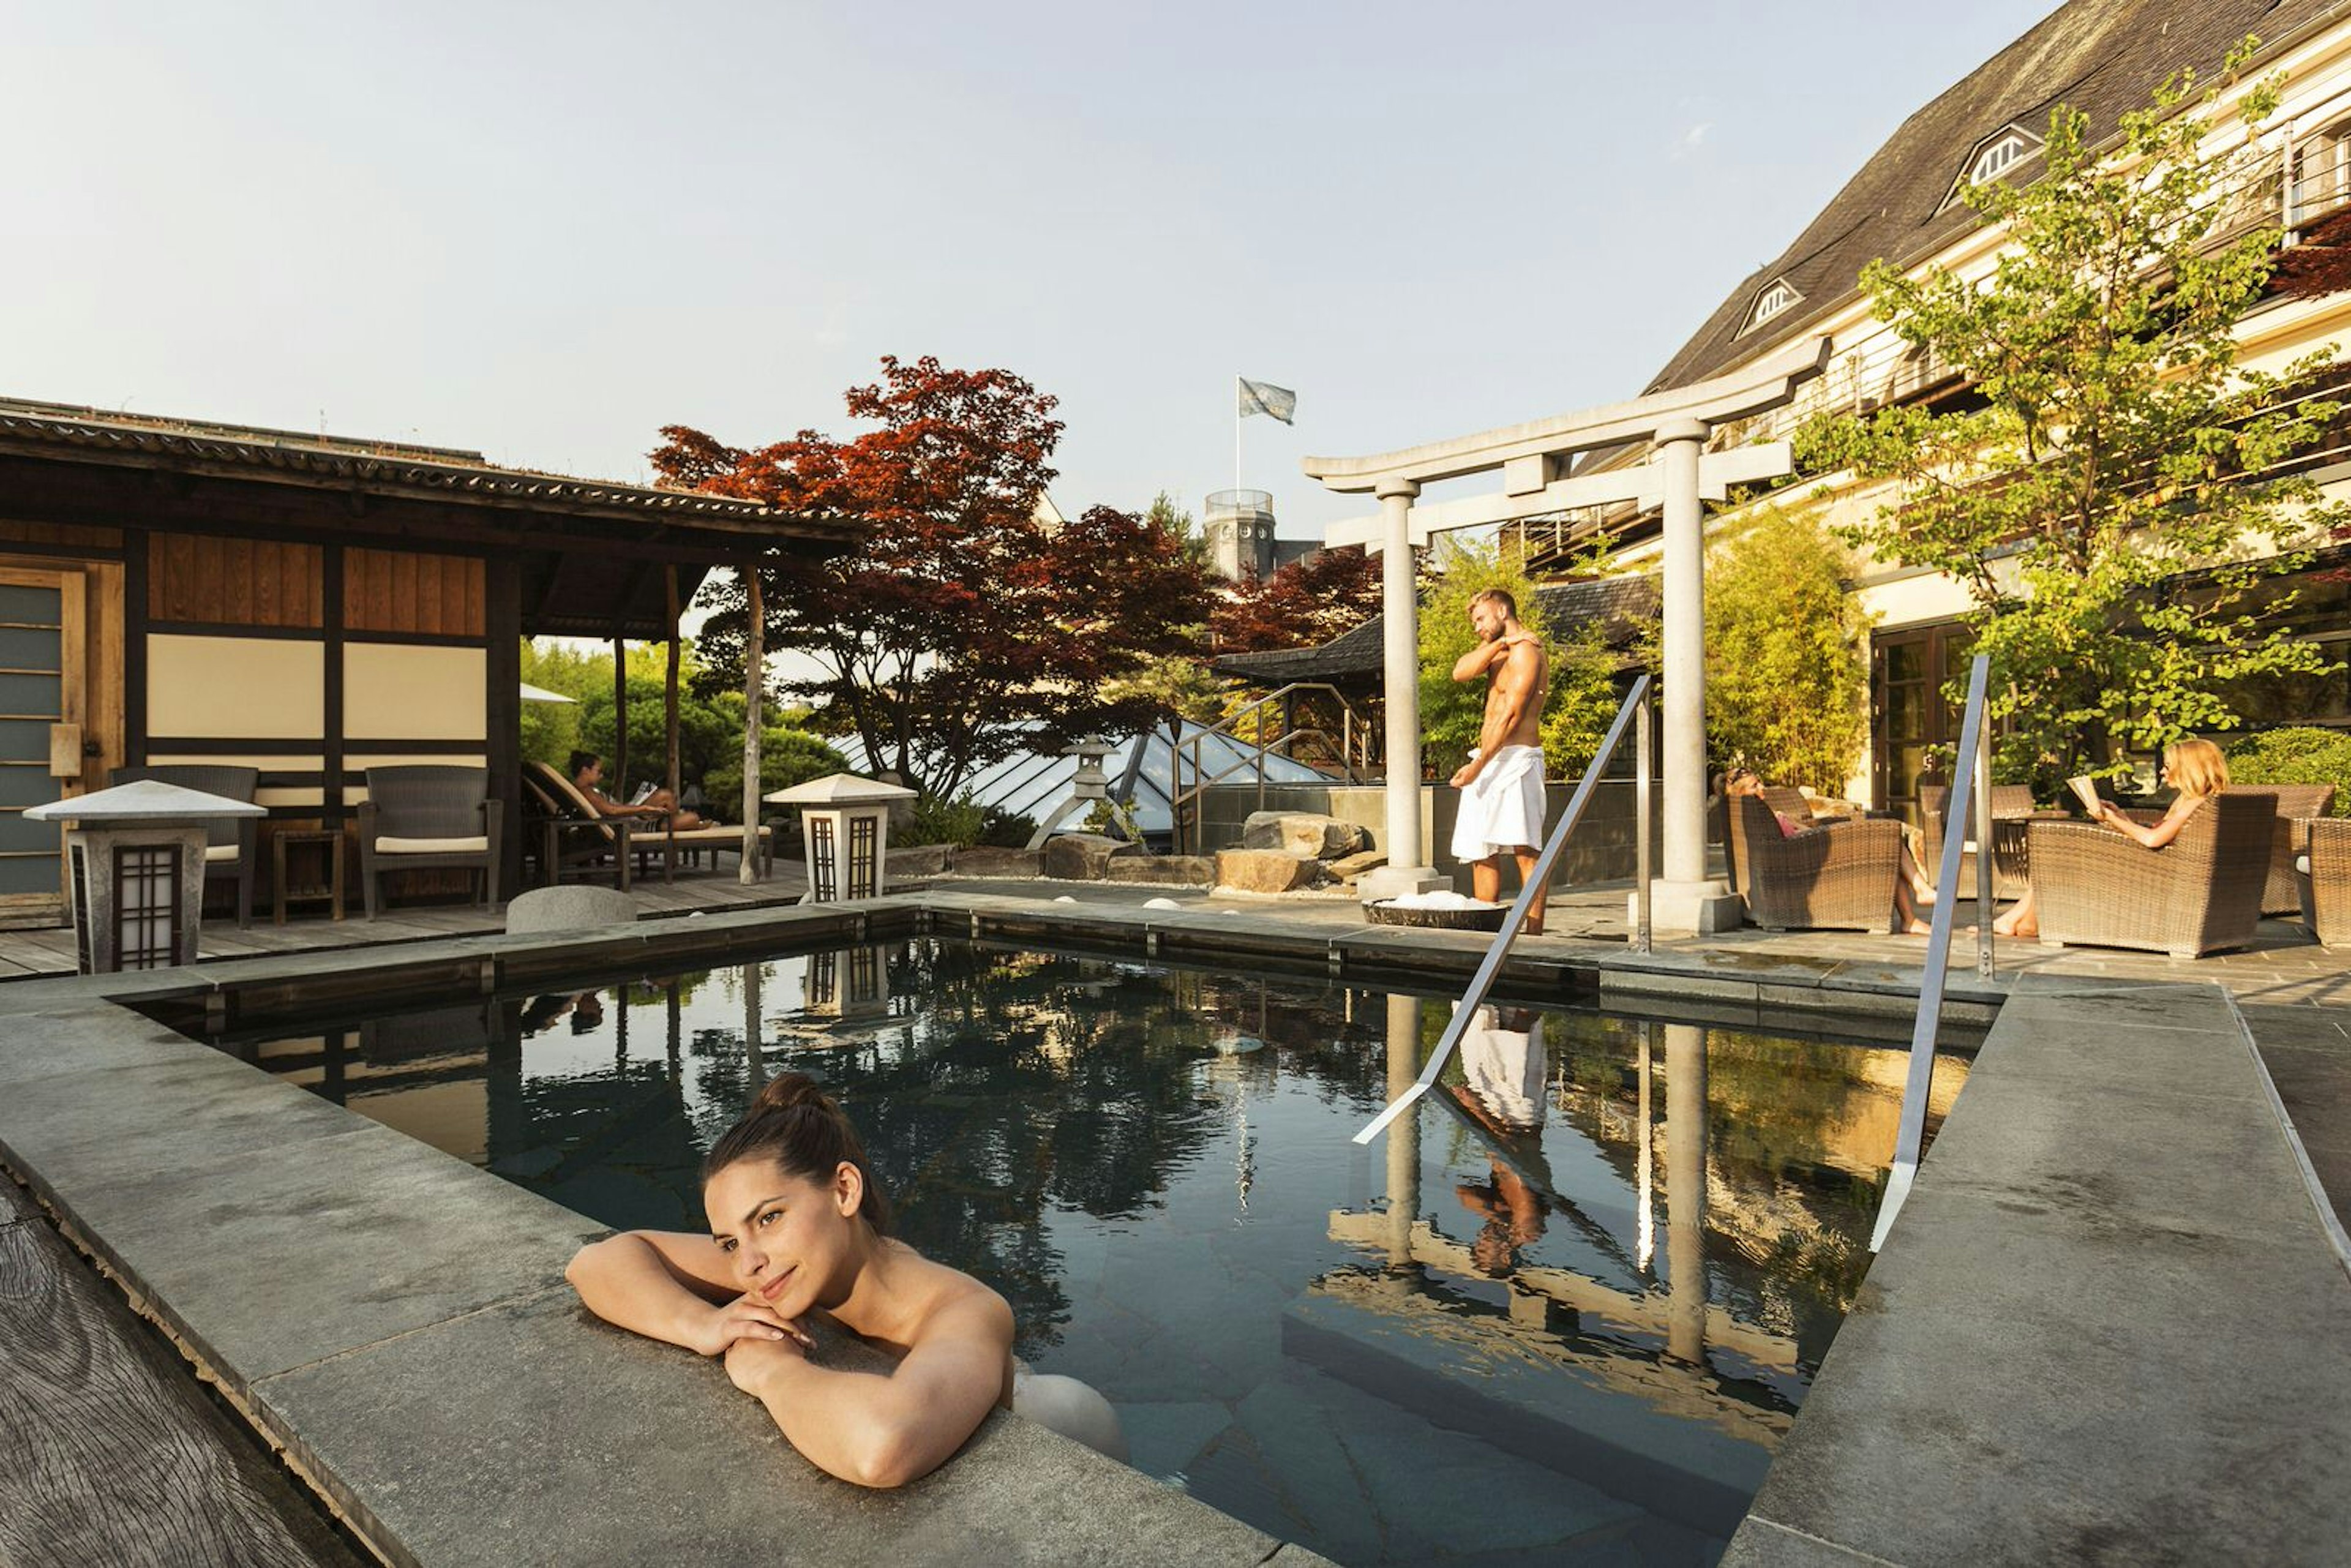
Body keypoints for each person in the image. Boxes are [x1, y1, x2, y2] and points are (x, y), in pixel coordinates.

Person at [565, 1073, 1123, 1488]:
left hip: (1068, 1418)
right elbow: (598, 1261)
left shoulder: (966, 1308)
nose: (747, 1264)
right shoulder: (783, 1267)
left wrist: (770, 1370)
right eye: (730, 1242)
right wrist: (701, 1324)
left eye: (769, 1217)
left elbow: (884, 1445)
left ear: (844, 1190)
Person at [1993, 738, 2228, 940]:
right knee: (2062, 856)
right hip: (2160, 866)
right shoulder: (2197, 800)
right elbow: (2160, 833)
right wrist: (2120, 816)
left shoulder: (2196, 804)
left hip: (2156, 873)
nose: (2162, 772)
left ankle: (2016, 920)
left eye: (2168, 766)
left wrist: (2111, 819)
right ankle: (2020, 920)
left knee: (2064, 854)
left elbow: (2153, 840)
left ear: (2188, 769)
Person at [1448, 588, 1553, 934]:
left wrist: (1477, 767)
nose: (1477, 626)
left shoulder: (1527, 652)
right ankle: (1486, 934)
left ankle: (1534, 936)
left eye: (1481, 618)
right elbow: (1460, 673)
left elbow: (1511, 716)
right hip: (1489, 758)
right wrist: (1496, 644)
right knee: (1481, 848)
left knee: (1525, 849)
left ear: (1503, 610)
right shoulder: (1499, 649)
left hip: (1517, 759)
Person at [1723, 767, 1939, 934]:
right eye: (1754, 786)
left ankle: (1912, 915)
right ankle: (1919, 893)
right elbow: (1793, 845)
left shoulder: (1759, 814)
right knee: (1890, 840)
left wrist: (1794, 824)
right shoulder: (1760, 815)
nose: (1762, 788)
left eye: (1759, 782)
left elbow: (1804, 834)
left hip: (1811, 854)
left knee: (1890, 847)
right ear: (1741, 793)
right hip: (1810, 865)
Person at [569, 749, 709, 830]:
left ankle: (672, 824)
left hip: (627, 820)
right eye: (598, 771)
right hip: (629, 826)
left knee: (664, 795)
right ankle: (672, 827)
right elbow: (612, 811)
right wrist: (645, 809)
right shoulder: (587, 792)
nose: (602, 775)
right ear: (585, 770)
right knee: (692, 817)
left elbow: (611, 809)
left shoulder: (584, 791)